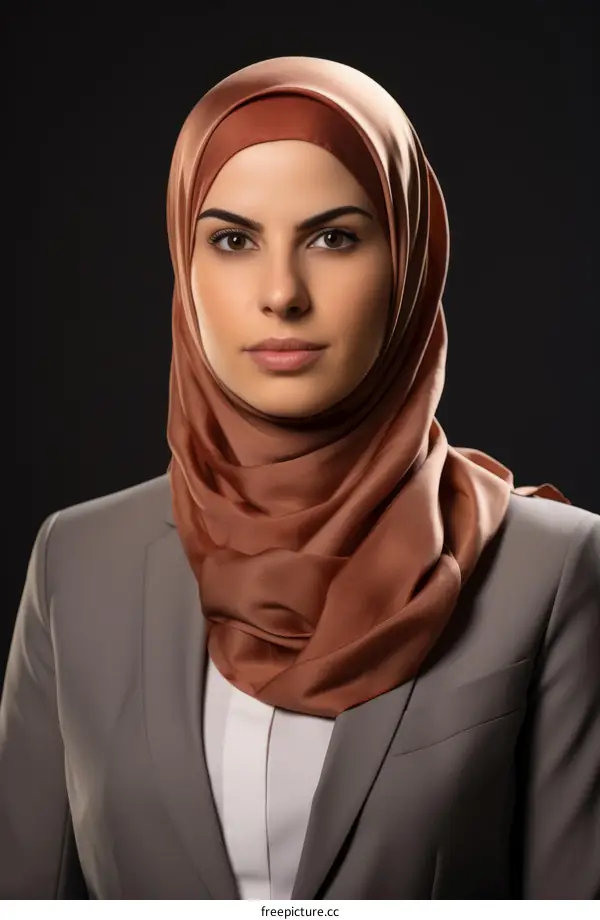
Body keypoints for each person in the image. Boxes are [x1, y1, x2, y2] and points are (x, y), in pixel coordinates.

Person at [0, 56, 598, 901]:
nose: (281, 293)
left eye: (335, 237)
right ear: (185, 263)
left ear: (412, 262)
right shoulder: (77, 561)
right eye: (234, 240)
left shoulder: (553, 568)